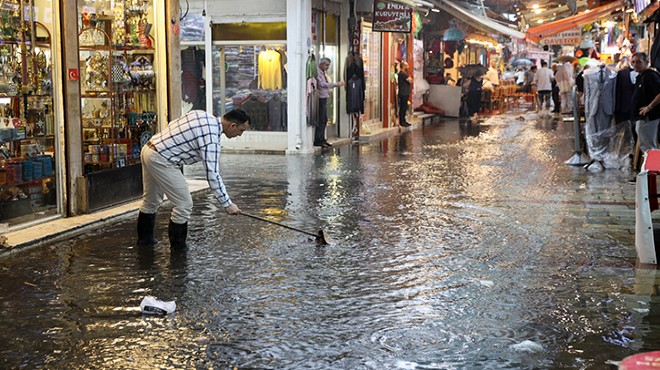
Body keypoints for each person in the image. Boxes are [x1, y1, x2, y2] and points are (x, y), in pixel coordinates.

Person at [136, 108, 251, 249]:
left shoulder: (201, 114)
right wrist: (227, 204)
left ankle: (145, 243)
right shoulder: (211, 139)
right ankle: (178, 251)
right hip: (163, 159)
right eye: (241, 131)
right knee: (184, 205)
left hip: (148, 148)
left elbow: (174, 124)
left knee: (151, 200)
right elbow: (212, 174)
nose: (240, 135)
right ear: (232, 125)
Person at [631, 52, 660, 152]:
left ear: (646, 63)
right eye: (633, 62)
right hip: (642, 117)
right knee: (645, 145)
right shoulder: (641, 76)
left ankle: (653, 167)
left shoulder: (650, 76)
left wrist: (649, 107)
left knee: (649, 146)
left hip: (649, 117)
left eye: (639, 62)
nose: (635, 64)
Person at [315, 57, 344, 147]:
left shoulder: (323, 72)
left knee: (324, 119)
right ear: (321, 64)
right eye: (326, 65)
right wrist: (336, 84)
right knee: (321, 119)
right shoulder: (318, 73)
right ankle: (318, 140)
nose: (327, 67)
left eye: (328, 65)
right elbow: (322, 84)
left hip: (324, 97)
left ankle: (322, 139)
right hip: (320, 98)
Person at [397, 61, 413, 127]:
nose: (408, 67)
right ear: (403, 66)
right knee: (403, 107)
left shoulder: (404, 74)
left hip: (405, 93)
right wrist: (410, 80)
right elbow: (410, 80)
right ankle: (402, 121)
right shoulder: (402, 74)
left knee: (404, 107)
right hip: (403, 93)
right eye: (406, 65)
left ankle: (403, 120)